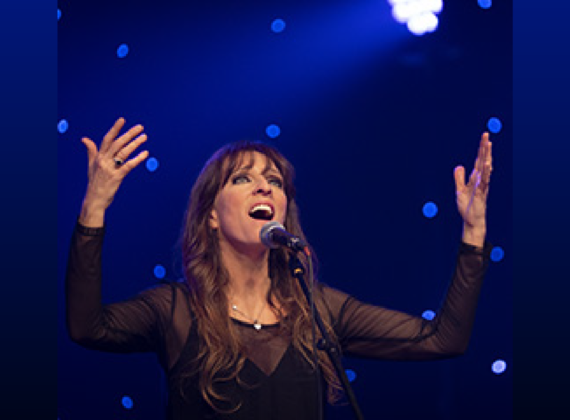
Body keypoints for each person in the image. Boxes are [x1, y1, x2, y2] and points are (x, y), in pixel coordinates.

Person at [66, 117, 494, 420]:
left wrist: (473, 233)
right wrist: (94, 208)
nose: (263, 187)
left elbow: (442, 339)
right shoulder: (176, 308)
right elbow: (88, 327)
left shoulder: (318, 308)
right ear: (211, 215)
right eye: (242, 179)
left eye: (275, 181)